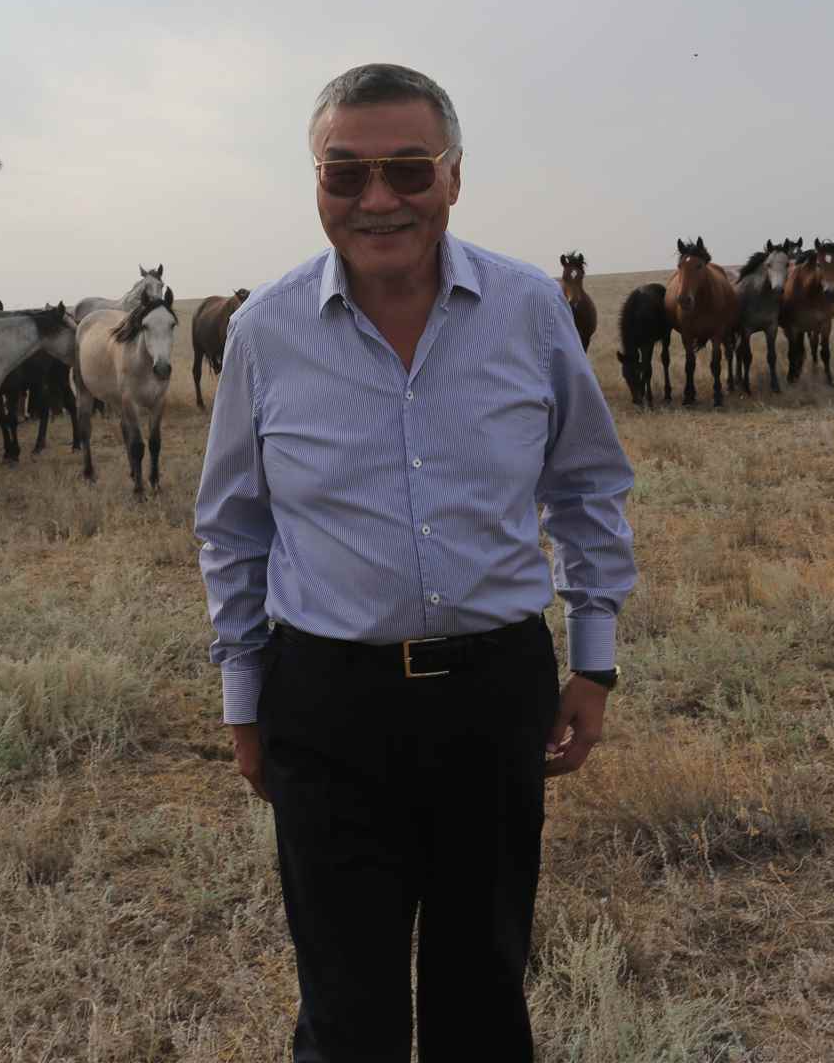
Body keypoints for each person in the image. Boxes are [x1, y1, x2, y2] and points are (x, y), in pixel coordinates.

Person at [193, 63, 637, 1062]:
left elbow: (586, 488)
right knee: (345, 1013)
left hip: (493, 696)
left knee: (483, 994)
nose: (378, 199)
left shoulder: (529, 310)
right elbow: (234, 526)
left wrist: (594, 660)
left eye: (407, 168)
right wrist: (243, 699)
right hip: (327, 705)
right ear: (315, 182)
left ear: (454, 175)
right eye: (345, 174)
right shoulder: (265, 332)